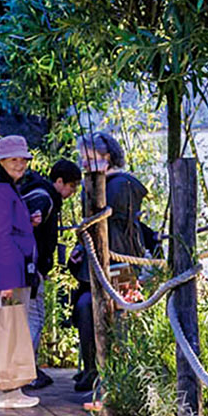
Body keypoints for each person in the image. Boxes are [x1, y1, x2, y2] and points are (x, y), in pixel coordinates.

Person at [67, 131, 149, 398]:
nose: (85, 164)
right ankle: (92, 369)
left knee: (120, 316)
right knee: (84, 307)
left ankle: (116, 374)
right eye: (83, 158)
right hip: (97, 263)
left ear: (108, 157)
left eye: (90, 158)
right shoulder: (97, 182)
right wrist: (81, 247)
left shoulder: (122, 185)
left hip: (120, 262)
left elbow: (111, 224)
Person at [0, 136, 41, 410]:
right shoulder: (0, 191)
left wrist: (27, 221)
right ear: (1, 161)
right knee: (12, 328)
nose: (20, 164)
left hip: (11, 268)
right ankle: (8, 390)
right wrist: (6, 280)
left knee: (4, 326)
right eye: (13, 159)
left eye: (23, 159)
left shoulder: (4, 188)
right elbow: (0, 237)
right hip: (10, 271)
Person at [18, 154, 68, 390]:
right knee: (35, 318)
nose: (73, 192)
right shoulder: (44, 198)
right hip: (30, 267)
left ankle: (25, 367)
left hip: (25, 266)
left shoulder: (35, 192)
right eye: (72, 186)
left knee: (28, 317)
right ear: (60, 182)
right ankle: (27, 370)